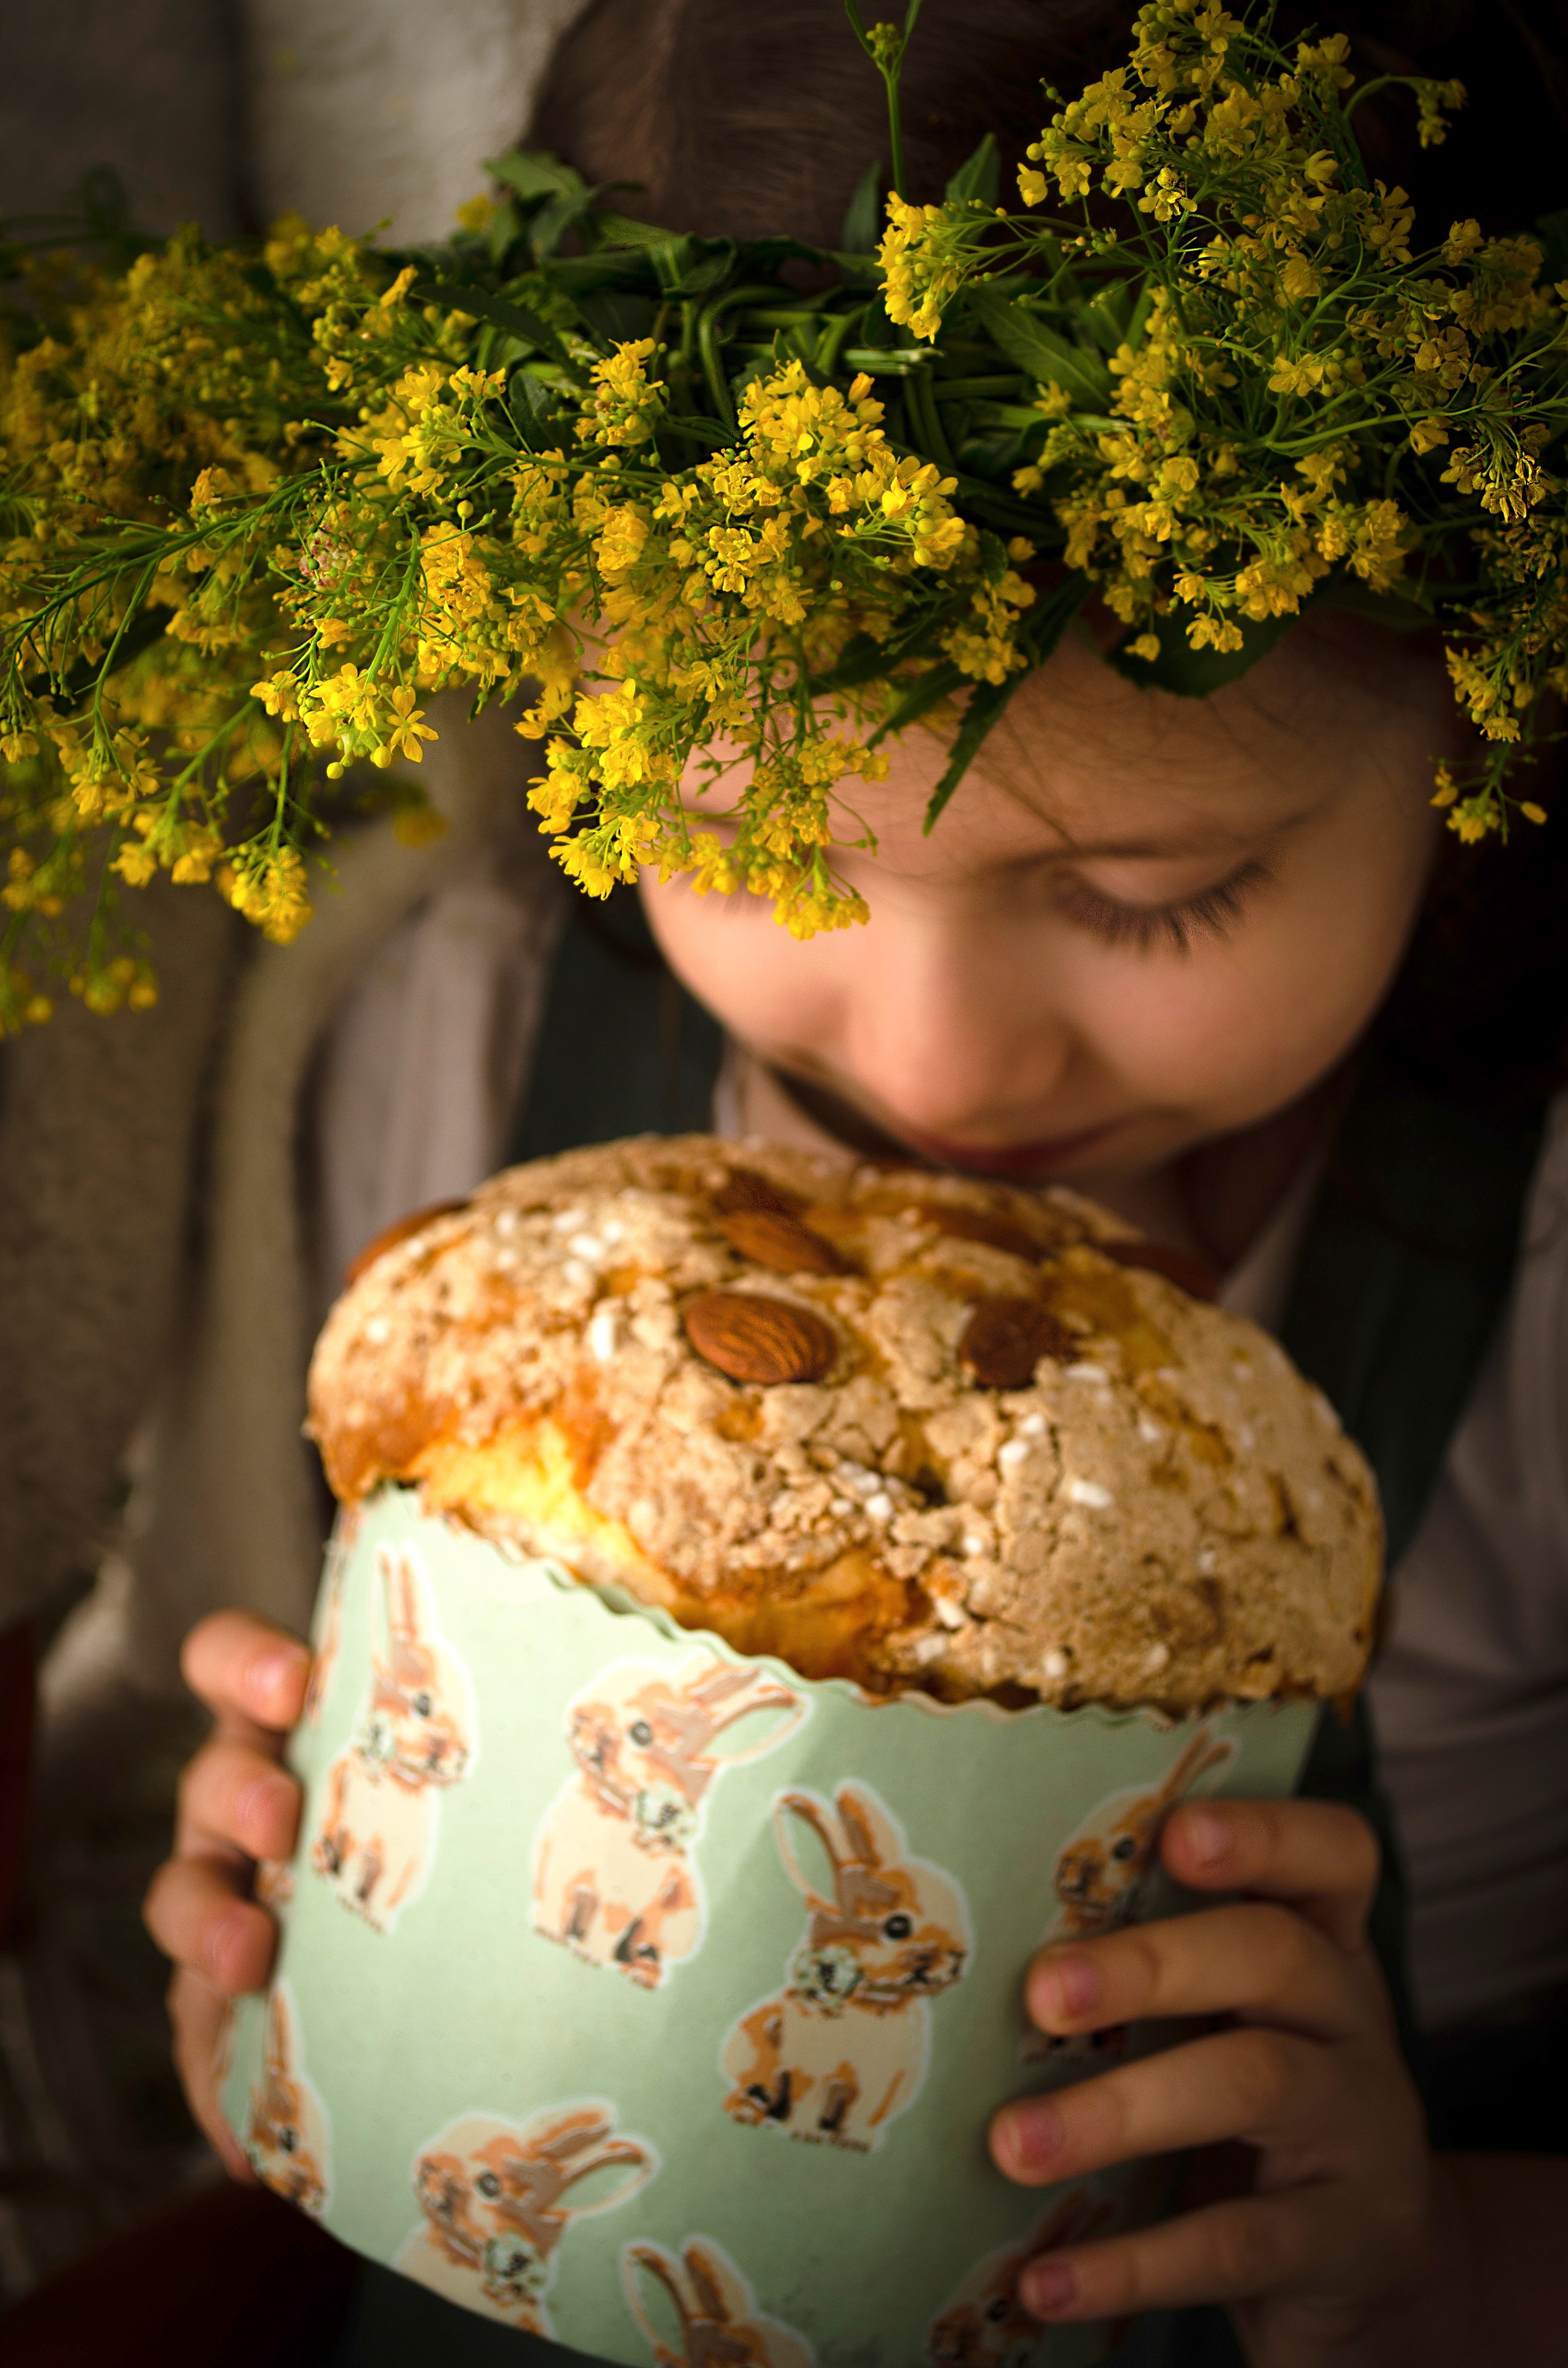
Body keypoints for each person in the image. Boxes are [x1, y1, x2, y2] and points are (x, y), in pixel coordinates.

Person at [114, 0, 1568, 2361]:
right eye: (748, 841)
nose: (935, 1057)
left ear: (1489, 726)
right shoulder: (457, 1065)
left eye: (1150, 897)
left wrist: (1438, 2269)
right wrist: (297, 1985)